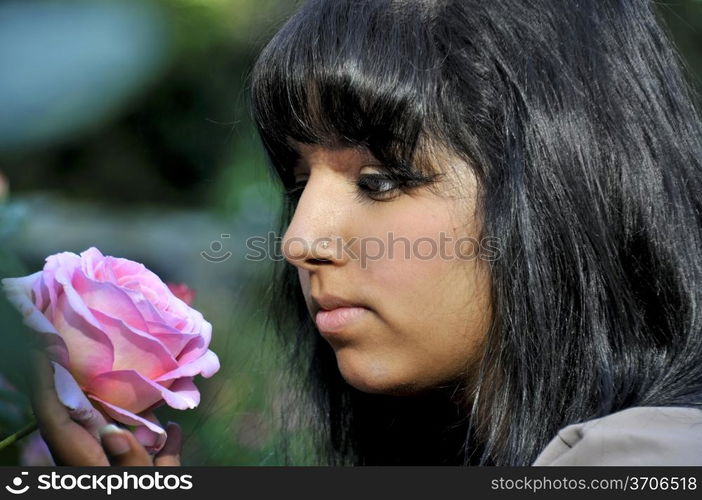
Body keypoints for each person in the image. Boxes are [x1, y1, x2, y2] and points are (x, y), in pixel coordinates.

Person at [30, 0, 702, 466]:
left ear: (566, 185)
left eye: (381, 180)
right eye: (298, 181)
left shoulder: (648, 456)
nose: (299, 241)